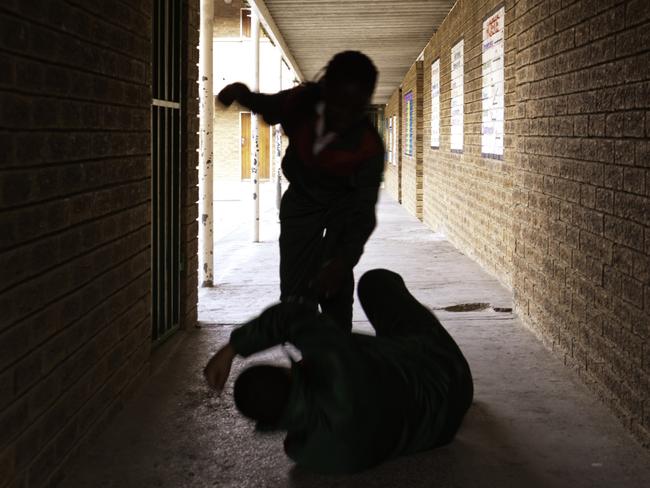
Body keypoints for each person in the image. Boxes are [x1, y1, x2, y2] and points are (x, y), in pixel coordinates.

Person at [203, 269, 474, 474]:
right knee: (376, 282)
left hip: (441, 431)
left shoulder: (306, 453)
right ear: (288, 374)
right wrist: (230, 349)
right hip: (445, 373)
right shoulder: (336, 363)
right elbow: (292, 318)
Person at [217, 51, 385, 332]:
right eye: (339, 103)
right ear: (326, 89)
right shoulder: (301, 102)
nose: (344, 116)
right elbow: (268, 106)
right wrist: (240, 93)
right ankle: (300, 342)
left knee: (335, 284)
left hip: (343, 205)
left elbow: (363, 213)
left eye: (354, 108)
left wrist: (342, 261)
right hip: (303, 200)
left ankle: (336, 345)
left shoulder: (367, 145)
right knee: (295, 289)